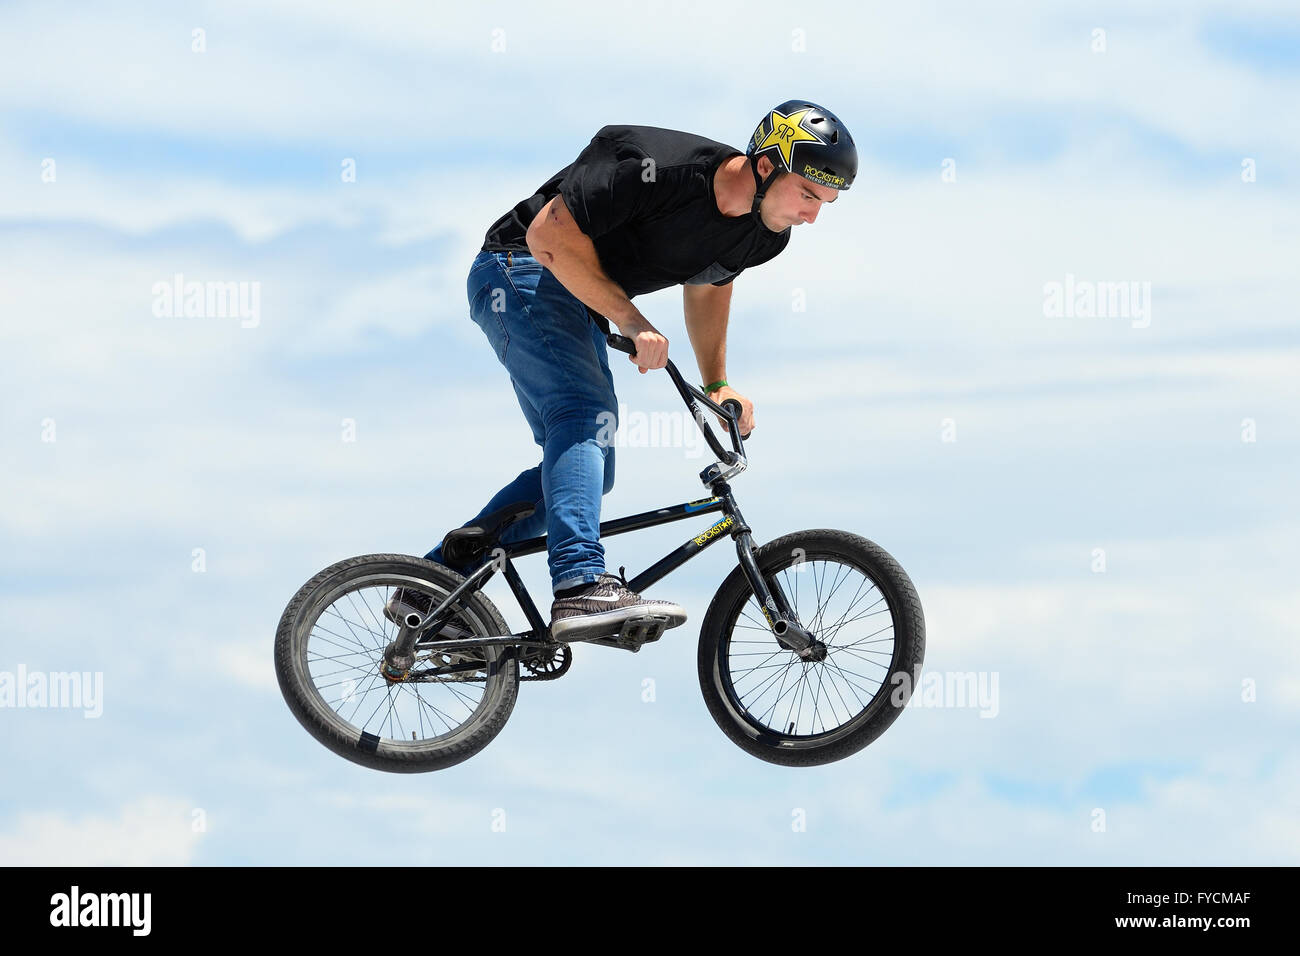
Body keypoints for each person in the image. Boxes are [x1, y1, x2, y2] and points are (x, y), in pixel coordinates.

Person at [400, 101, 857, 642]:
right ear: (764, 166)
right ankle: (579, 583)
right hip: (518, 269)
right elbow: (547, 238)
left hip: (579, 301)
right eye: (808, 194)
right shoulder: (653, 165)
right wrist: (633, 321)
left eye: (825, 203)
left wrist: (717, 383)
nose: (812, 216)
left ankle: (432, 586)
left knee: (593, 468)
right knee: (582, 415)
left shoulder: (764, 235)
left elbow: (710, 285)